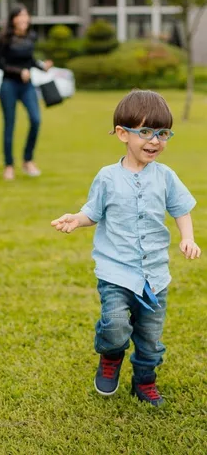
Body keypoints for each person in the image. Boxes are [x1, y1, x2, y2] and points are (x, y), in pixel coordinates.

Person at [51, 90, 201, 406]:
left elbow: (180, 209)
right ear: (122, 133)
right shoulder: (107, 177)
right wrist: (76, 220)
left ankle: (145, 382)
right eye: (145, 132)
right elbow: (93, 211)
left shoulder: (166, 176)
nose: (155, 141)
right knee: (116, 326)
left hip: (154, 277)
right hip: (116, 272)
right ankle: (111, 354)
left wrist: (187, 237)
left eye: (162, 134)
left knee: (150, 340)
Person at [0, 4, 53, 180]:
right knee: (9, 125)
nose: (23, 19)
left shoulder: (31, 37)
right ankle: (9, 165)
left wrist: (42, 67)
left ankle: (28, 160)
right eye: (19, 16)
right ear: (13, 19)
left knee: (36, 120)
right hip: (9, 85)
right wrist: (19, 72)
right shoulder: (4, 38)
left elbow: (30, 60)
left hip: (27, 86)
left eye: (25, 15)